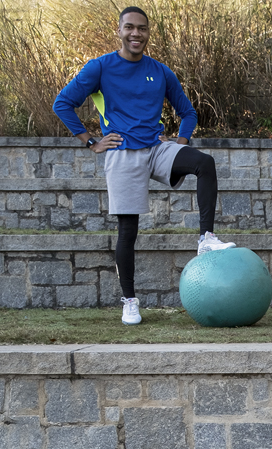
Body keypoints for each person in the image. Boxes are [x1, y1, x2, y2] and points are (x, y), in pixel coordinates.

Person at [53, 6, 235, 326]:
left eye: (142, 29)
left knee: (204, 163)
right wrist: (91, 142)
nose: (136, 33)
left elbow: (188, 112)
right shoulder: (100, 67)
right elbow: (62, 103)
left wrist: (180, 141)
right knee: (128, 230)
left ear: (148, 33)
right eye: (130, 28)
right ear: (119, 31)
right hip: (122, 152)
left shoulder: (160, 71)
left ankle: (206, 237)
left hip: (155, 147)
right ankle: (130, 301)